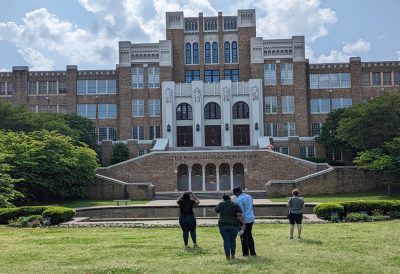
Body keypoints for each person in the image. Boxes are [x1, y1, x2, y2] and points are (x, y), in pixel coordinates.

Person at [215, 194, 245, 260]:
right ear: (230, 198)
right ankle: (233, 255)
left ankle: (227, 256)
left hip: (223, 224)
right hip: (234, 224)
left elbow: (217, 210)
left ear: (223, 199)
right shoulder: (235, 204)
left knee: (226, 240)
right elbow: (239, 215)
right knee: (233, 240)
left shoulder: (221, 204)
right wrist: (243, 224)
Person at [233, 187, 256, 256]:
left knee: (243, 237)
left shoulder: (239, 199)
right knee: (249, 235)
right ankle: (253, 252)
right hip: (251, 218)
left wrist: (242, 223)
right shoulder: (249, 196)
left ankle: (245, 253)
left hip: (244, 220)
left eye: (234, 194)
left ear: (236, 192)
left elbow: (240, 213)